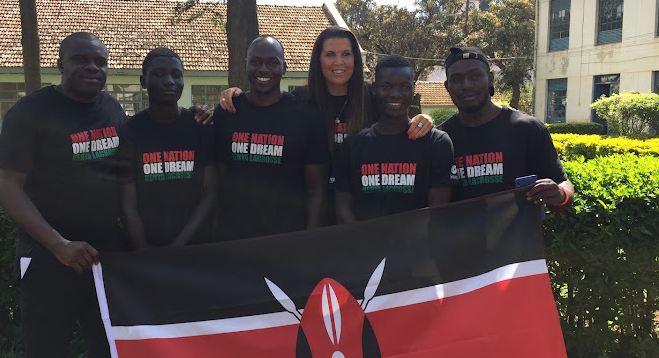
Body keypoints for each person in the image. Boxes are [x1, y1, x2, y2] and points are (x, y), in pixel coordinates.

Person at [0, 32, 125, 358]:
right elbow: (7, 188)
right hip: (48, 257)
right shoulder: (29, 113)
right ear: (60, 63)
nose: (92, 68)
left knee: (105, 353)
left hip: (103, 258)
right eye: (81, 60)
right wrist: (57, 244)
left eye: (100, 61)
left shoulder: (111, 108)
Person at [218, 26, 434, 221]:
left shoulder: (375, 97)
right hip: (309, 210)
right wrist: (231, 97)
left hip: (361, 212)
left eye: (346, 54)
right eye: (330, 54)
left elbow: (403, 122)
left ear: (356, 60)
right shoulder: (301, 100)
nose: (338, 62)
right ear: (318, 60)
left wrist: (425, 120)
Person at [211, 35, 329, 240]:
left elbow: (316, 189)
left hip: (287, 238)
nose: (263, 69)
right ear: (245, 65)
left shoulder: (307, 117)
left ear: (284, 67)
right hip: (235, 238)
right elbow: (218, 181)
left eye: (272, 62)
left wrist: (310, 239)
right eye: (256, 61)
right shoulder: (227, 112)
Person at [439, 46, 574, 208]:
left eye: (475, 76)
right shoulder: (440, 140)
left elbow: (562, 182)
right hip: (460, 234)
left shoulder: (527, 128)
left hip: (518, 234)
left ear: (490, 78)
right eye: (456, 79)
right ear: (447, 87)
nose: (466, 85)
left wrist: (561, 194)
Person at [335, 55, 456, 222]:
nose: (396, 94)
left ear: (413, 89)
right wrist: (362, 244)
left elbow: (438, 209)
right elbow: (343, 206)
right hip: (365, 246)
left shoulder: (437, 143)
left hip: (419, 246)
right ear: (375, 88)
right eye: (387, 86)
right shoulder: (352, 146)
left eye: (405, 87)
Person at [119, 47, 216, 248]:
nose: (169, 81)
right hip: (143, 247)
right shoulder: (130, 131)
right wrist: (144, 252)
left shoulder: (200, 127)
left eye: (176, 75)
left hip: (194, 246)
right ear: (143, 81)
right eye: (159, 73)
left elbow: (209, 194)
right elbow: (128, 203)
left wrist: (178, 247)